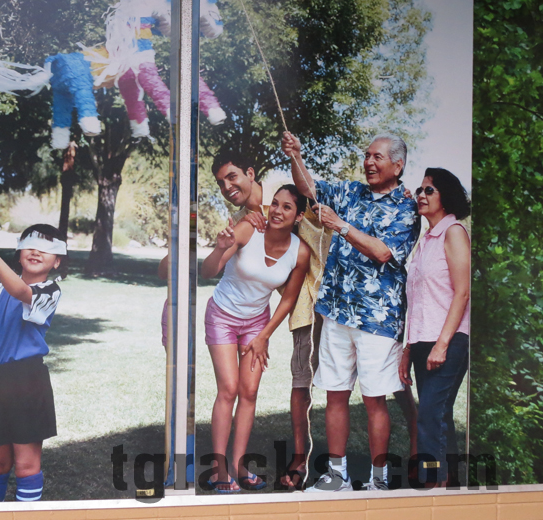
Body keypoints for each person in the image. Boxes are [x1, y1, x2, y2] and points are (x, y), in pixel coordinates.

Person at [282, 131, 420, 491]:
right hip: (336, 311)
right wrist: (296, 156)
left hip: (377, 319)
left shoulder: (407, 207)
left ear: (397, 166)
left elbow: (383, 252)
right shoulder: (351, 192)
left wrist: (341, 226)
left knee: (374, 400)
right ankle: (336, 475)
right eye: (367, 156)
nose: (369, 162)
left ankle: (379, 480)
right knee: (335, 393)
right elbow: (310, 189)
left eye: (377, 157)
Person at [200, 185, 311, 493]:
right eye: (274, 203)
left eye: (287, 207)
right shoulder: (249, 228)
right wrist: (220, 248)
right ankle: (219, 469)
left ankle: (238, 465)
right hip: (222, 315)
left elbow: (288, 299)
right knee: (229, 389)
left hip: (257, 323)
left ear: (299, 216)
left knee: (249, 393)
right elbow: (207, 271)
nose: (277, 210)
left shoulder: (300, 251)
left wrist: (264, 336)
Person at [0, 180, 68, 503]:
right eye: (29, 245)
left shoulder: (49, 291)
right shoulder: (0, 282)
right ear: (20, 253)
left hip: (27, 381)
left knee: (25, 464)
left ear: (57, 261)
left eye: (46, 249)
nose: (36, 251)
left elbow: (21, 291)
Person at [399, 168, 471, 487]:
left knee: (429, 416)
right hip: (423, 342)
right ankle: (450, 486)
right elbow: (418, 302)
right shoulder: (425, 241)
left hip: (449, 342)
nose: (421, 195)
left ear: (445, 196)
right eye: (419, 190)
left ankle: (434, 488)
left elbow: (463, 292)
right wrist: (408, 349)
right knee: (439, 416)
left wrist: (442, 345)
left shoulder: (453, 232)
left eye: (429, 190)